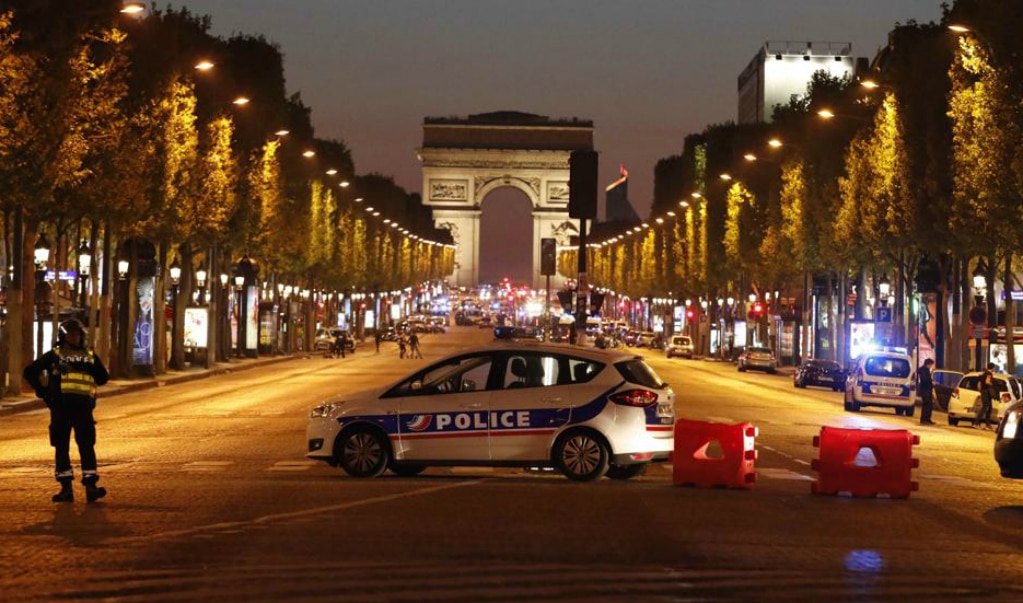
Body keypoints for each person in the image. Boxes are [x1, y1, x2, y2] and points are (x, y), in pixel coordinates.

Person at [23, 318, 110, 503]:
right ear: (63, 336)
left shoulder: (89, 355)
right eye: (71, 334)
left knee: (86, 446)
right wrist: (43, 391)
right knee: (61, 447)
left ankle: (91, 487)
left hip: (82, 409)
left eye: (77, 334)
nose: (75, 337)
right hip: (61, 408)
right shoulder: (55, 355)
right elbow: (30, 371)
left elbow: (103, 378)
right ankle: (66, 489)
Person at [975, 362, 996, 430]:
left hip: (984, 392)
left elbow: (980, 383)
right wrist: (992, 384)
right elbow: (987, 382)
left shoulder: (984, 373)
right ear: (992, 368)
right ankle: (976, 423)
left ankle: (988, 425)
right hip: (986, 392)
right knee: (985, 407)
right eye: (994, 368)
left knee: (989, 408)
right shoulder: (989, 374)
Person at [918, 358, 935, 425]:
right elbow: (925, 380)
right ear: (928, 364)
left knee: (928, 404)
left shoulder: (924, 370)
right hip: (925, 390)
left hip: (926, 390)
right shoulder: (924, 370)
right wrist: (931, 383)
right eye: (931, 364)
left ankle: (927, 419)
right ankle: (925, 419)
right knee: (927, 404)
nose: (931, 366)